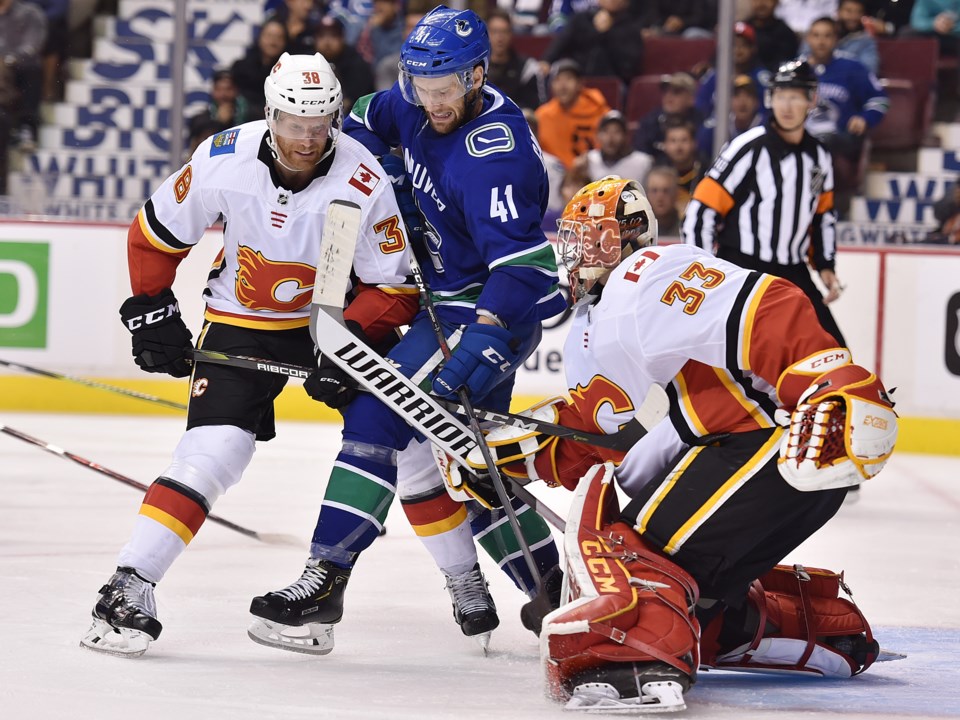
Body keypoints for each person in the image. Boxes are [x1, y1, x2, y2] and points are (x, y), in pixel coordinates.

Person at [455, 175, 898, 711]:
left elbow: (765, 304)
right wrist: (512, 457)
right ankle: (809, 631)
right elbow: (610, 433)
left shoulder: (647, 274)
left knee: (624, 552)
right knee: (683, 596)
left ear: (628, 237)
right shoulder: (600, 320)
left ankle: (630, 664)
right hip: (756, 464)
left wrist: (826, 383)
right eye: (571, 240)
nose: (575, 254)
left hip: (771, 447)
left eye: (590, 238)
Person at [246, 6, 567, 654]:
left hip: (477, 315)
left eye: (444, 90)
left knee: (373, 421)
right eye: (420, 86)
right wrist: (384, 173)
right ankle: (559, 598)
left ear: (478, 75)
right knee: (472, 469)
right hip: (440, 303)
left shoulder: (493, 156)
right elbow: (365, 117)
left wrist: (489, 329)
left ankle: (325, 582)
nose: (430, 102)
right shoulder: (415, 101)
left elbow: (528, 268)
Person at [79, 53, 420, 658]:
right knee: (215, 451)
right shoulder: (223, 158)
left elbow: (392, 285)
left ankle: (459, 583)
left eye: (321, 124)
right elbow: (154, 234)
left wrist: (353, 341)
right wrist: (153, 308)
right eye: (295, 123)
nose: (308, 138)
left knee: (406, 447)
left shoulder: (363, 176)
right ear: (271, 114)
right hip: (240, 322)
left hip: (330, 324)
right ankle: (129, 584)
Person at [682, 60, 847, 347]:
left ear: (812, 100)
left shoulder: (819, 156)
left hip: (793, 271)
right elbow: (701, 210)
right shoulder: (748, 147)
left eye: (795, 96)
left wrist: (825, 266)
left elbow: (822, 215)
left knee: (833, 350)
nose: (787, 105)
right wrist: (706, 271)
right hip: (741, 267)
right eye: (781, 96)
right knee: (734, 353)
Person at [803, 16, 888, 218]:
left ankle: (826, 205)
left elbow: (880, 100)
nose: (821, 41)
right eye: (816, 36)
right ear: (808, 39)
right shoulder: (798, 70)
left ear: (836, 39)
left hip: (840, 137)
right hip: (801, 137)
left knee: (825, 141)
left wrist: (865, 118)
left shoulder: (852, 68)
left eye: (827, 36)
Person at [542, 0, 645, 83]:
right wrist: (547, 60)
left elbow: (628, 68)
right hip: (579, 81)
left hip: (612, 82)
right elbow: (561, 42)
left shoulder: (631, 28)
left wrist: (607, 33)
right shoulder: (581, 19)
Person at [535, 58, 610, 169]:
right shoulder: (541, 115)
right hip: (556, 177)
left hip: (593, 174)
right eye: (557, 80)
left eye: (569, 79)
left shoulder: (600, 111)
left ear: (580, 84)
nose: (562, 86)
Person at [0, 0, 46, 152]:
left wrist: (9, 59)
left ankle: (26, 129)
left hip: (19, 65)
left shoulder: (29, 13)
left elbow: (32, 45)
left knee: (31, 71)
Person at [633, 72, 703, 165]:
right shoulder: (650, 122)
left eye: (676, 92)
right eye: (666, 92)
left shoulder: (702, 123)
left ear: (691, 98)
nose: (669, 97)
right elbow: (640, 156)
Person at [486, 7, 547, 111]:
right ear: (487, 35)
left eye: (504, 31)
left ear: (511, 34)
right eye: (495, 31)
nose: (499, 37)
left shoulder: (527, 68)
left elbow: (536, 107)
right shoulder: (477, 67)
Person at [314, 15, 375, 114]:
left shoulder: (357, 63)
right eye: (321, 36)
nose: (327, 42)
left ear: (342, 38)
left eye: (333, 36)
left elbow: (356, 102)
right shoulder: (309, 61)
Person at [574, 109, 654, 185]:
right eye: (606, 131)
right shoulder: (589, 160)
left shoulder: (643, 162)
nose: (610, 138)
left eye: (617, 131)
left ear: (626, 136)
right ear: (598, 136)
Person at [697, 73, 765, 159]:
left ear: (756, 102)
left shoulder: (766, 128)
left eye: (748, 96)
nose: (742, 102)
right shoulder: (714, 130)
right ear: (728, 101)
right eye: (737, 96)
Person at [231, 18, 288, 119]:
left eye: (279, 37)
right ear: (259, 38)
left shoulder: (289, 71)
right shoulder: (240, 68)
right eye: (269, 36)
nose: (273, 42)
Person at [187, 69, 252, 153]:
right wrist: (220, 123)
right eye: (218, 89)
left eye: (228, 89)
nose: (223, 95)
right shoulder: (199, 122)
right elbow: (196, 151)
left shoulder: (251, 118)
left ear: (236, 90)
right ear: (212, 91)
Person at [746, 0, 800, 72]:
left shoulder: (785, 33)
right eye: (756, 0)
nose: (761, 4)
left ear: (776, 2)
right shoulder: (742, 30)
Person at [645, 165, 682, 235]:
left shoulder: (686, 227)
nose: (660, 197)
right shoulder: (638, 230)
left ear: (676, 194)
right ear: (646, 194)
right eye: (654, 191)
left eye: (666, 191)